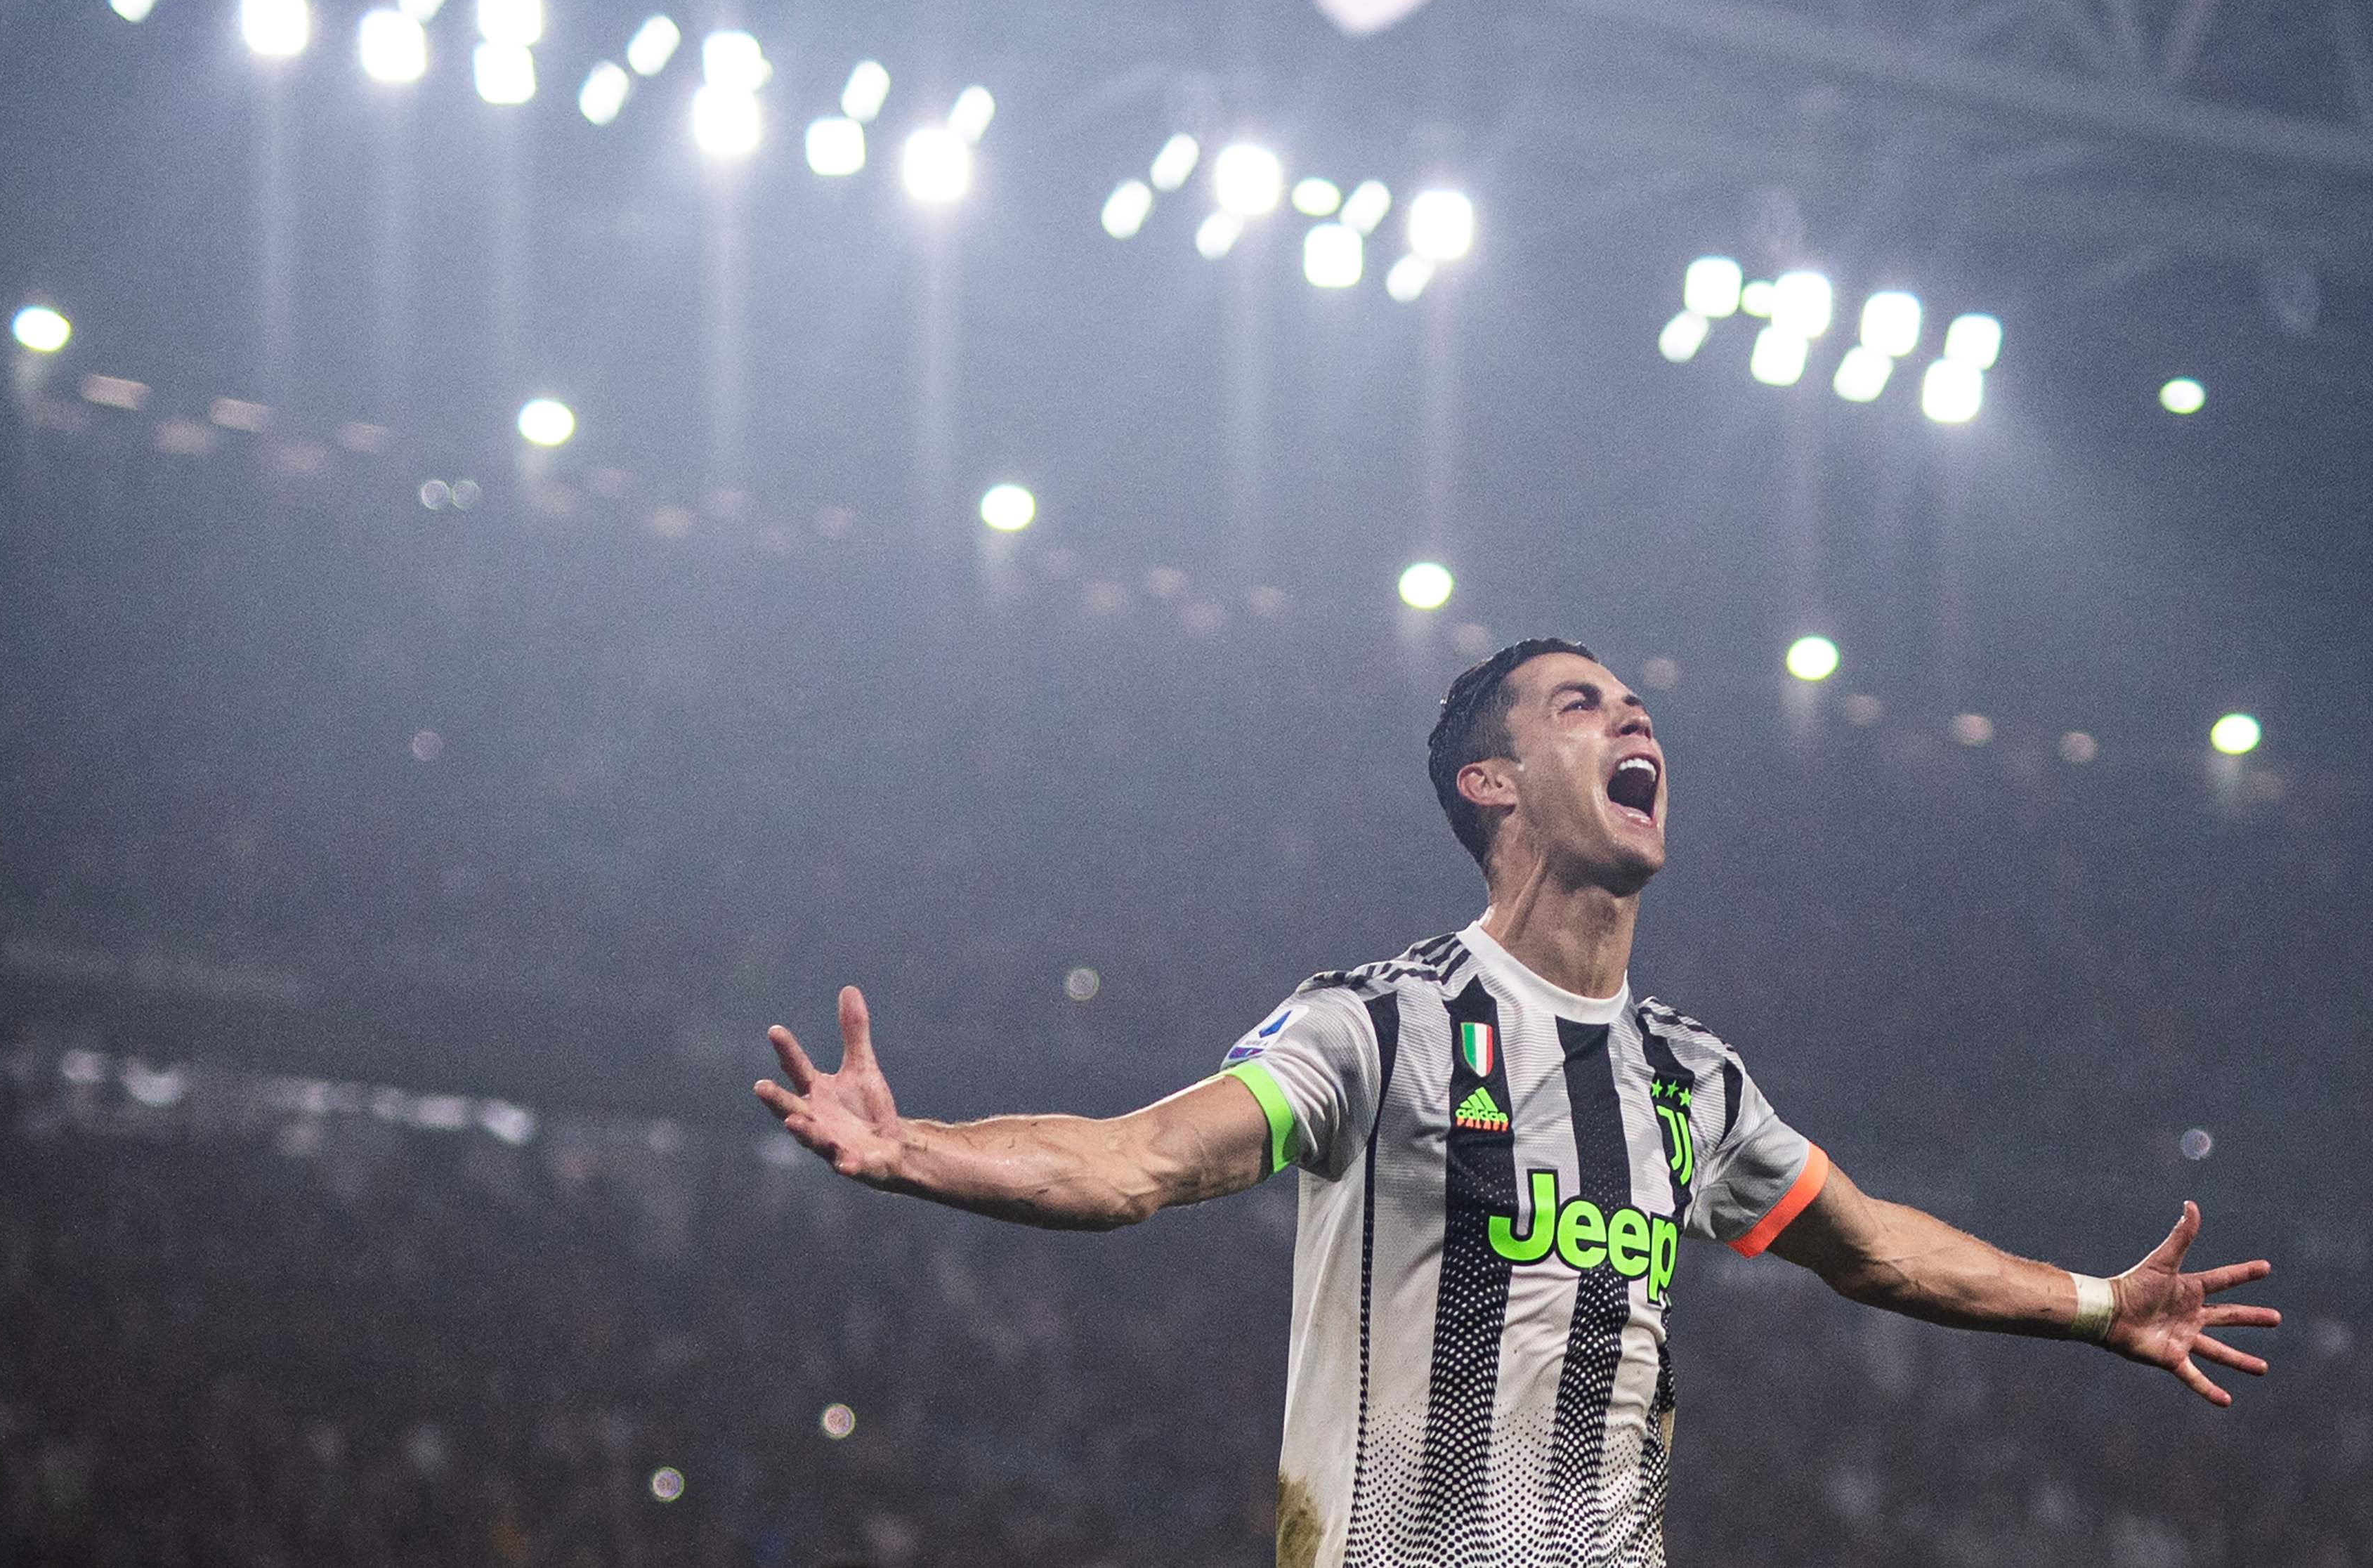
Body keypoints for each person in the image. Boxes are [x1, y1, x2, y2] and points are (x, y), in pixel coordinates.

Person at [755, 639, 2279, 1567]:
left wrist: (2097, 1303)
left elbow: (1873, 1246)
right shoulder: (1386, 1021)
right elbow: (1139, 1161)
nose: (1637, 724)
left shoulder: (1692, 1078)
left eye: (1639, 708)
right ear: (1491, 784)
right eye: (1580, 705)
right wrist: (914, 1151)